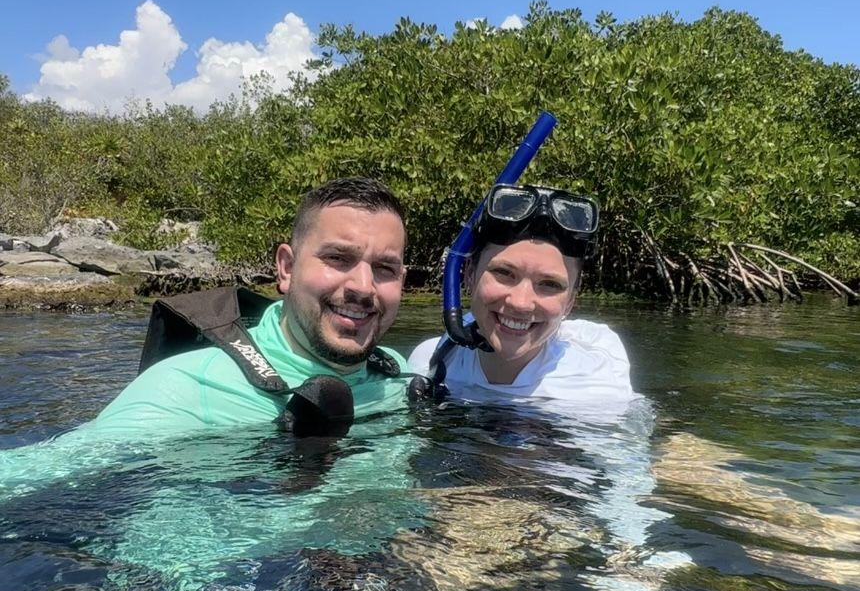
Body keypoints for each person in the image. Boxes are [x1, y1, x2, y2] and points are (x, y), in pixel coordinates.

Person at [91, 177, 411, 439]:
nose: (364, 287)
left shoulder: (398, 375)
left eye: (385, 268)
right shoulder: (185, 388)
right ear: (286, 268)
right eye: (338, 259)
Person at [409, 183, 634, 409]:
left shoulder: (595, 393)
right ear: (469, 273)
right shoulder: (429, 361)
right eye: (504, 273)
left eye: (549, 284)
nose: (521, 303)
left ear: (570, 302)